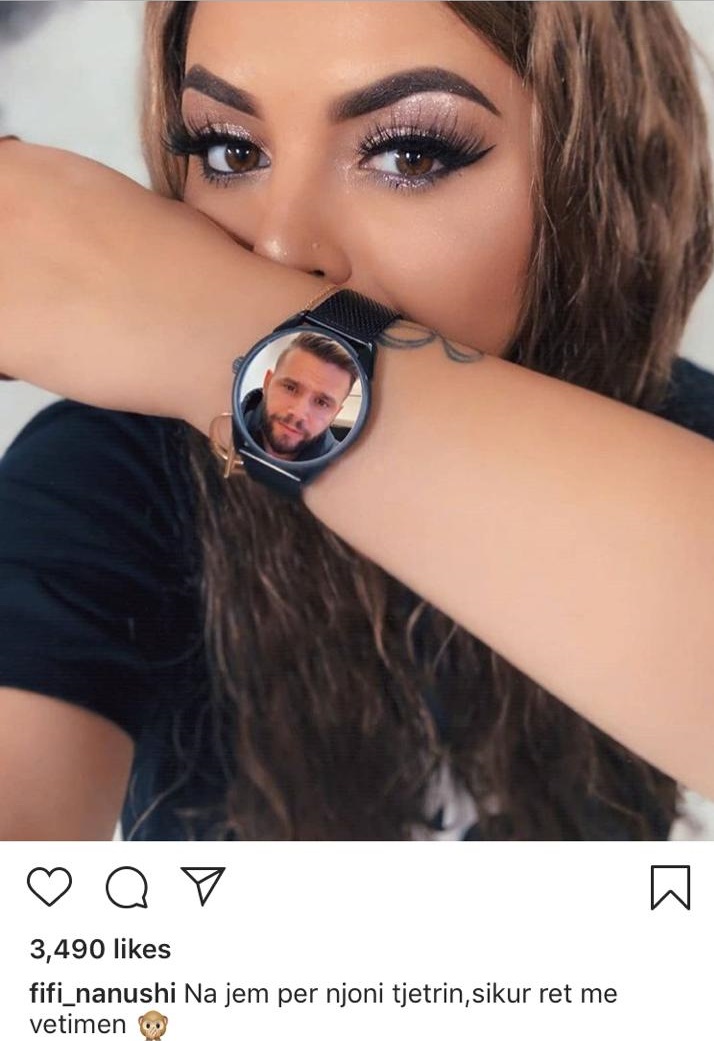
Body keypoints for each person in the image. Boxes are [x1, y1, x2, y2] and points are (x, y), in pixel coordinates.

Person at [0, 1, 714, 840]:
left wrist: (228, 336)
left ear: (596, 175)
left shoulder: (678, 436)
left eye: (409, 152)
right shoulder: (112, 473)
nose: (278, 251)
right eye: (232, 151)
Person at [241, 332, 358, 461]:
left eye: (321, 402)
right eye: (290, 388)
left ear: (335, 414)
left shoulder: (344, 467)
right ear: (267, 383)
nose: (298, 413)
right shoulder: (226, 429)